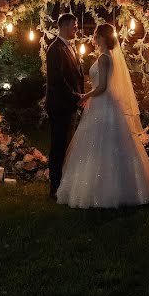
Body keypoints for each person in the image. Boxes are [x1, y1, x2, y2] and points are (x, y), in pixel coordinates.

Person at [55, 23, 149, 209]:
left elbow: (103, 87)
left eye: (95, 35)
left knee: (104, 144)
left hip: (104, 103)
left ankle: (107, 189)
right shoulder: (103, 57)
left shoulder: (105, 58)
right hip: (100, 103)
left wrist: (85, 96)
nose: (93, 38)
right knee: (96, 144)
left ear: (101, 37)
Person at [45, 13, 84, 198]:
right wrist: (75, 97)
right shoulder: (55, 49)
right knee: (58, 146)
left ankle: (64, 183)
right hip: (60, 105)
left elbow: (76, 76)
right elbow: (57, 80)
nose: (76, 29)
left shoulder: (71, 48)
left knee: (67, 144)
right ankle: (55, 187)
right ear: (65, 26)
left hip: (70, 105)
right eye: (74, 26)